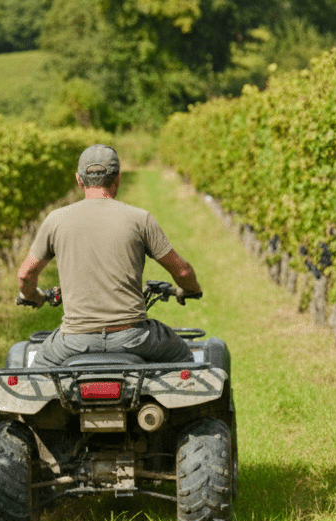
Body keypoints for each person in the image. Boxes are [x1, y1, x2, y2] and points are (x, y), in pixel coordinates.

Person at [16, 144, 202, 365]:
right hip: (133, 337)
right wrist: (190, 289)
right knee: (184, 358)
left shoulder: (55, 220)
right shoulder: (140, 219)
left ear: (79, 180)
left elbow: (26, 275)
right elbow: (182, 270)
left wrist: (33, 296)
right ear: (118, 178)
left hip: (74, 341)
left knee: (36, 377)